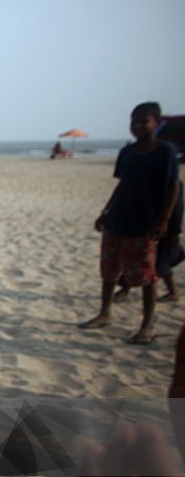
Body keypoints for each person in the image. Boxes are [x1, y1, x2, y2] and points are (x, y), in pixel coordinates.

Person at [80, 102, 181, 344]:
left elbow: (173, 186)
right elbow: (122, 184)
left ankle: (147, 323)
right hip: (118, 218)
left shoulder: (164, 151)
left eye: (143, 121)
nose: (137, 126)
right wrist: (105, 212)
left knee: (146, 275)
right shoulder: (127, 152)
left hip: (145, 222)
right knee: (109, 271)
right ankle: (105, 313)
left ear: (156, 122)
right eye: (133, 121)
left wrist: (165, 219)